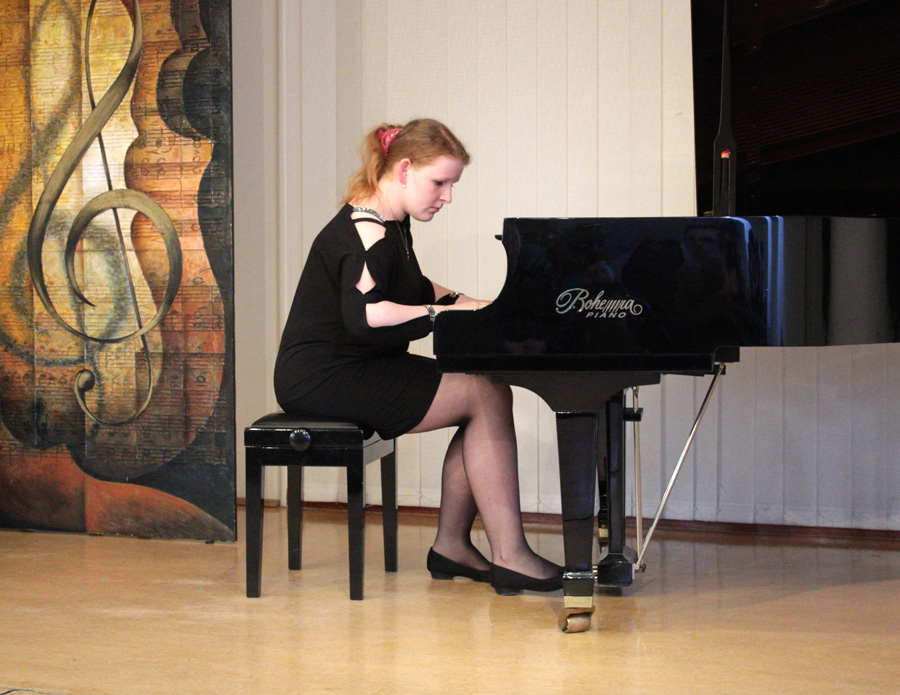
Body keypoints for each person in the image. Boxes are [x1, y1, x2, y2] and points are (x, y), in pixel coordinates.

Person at [274, 118, 561, 594]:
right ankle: (508, 555)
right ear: (404, 169)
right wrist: (441, 314)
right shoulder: (365, 232)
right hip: (323, 377)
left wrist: (477, 305)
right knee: (484, 393)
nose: (447, 196)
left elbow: (412, 285)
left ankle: (453, 547)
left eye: (451, 185)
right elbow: (367, 315)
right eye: (440, 182)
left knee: (484, 391)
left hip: (359, 364)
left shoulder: (392, 222)